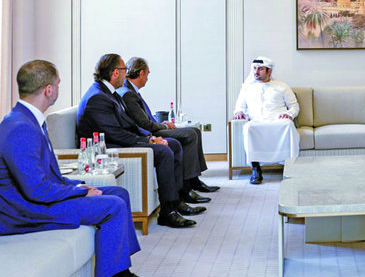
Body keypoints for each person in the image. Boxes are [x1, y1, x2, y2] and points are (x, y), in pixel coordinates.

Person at [0, 60, 162, 277]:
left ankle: (120, 276)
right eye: (58, 84)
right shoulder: (19, 128)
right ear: (48, 90)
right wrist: (76, 192)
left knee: (119, 193)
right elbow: (36, 190)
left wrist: (78, 187)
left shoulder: (28, 120)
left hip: (37, 199)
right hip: (26, 210)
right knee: (113, 206)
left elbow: (46, 176)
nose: (59, 87)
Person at [77, 53, 204, 228]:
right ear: (115, 73)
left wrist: (150, 137)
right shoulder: (98, 97)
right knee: (164, 151)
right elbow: (115, 134)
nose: (127, 73)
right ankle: (167, 213)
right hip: (109, 148)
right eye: (124, 69)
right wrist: (148, 142)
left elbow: (129, 125)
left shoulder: (109, 93)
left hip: (120, 141)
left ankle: (176, 201)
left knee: (173, 144)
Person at [118, 57, 219, 199]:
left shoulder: (130, 90)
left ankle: (194, 179)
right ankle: (187, 186)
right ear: (141, 73)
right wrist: (164, 125)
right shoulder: (128, 93)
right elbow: (144, 124)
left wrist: (162, 123)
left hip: (152, 128)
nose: (147, 78)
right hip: (149, 132)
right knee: (190, 135)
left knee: (195, 131)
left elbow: (144, 118)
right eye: (147, 74)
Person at [232, 56, 299, 184]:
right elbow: (239, 107)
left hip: (278, 120)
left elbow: (294, 106)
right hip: (257, 120)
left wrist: (289, 114)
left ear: (269, 71)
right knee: (249, 127)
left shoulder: (282, 86)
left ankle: (290, 167)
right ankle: (256, 169)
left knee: (288, 125)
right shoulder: (247, 88)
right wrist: (239, 112)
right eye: (254, 68)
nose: (256, 72)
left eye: (260, 69)